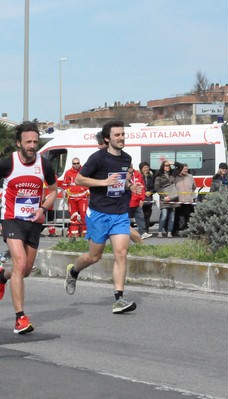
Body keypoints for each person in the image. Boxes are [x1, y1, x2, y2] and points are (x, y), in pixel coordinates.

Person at [0, 121, 57, 334]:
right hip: (12, 219)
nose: (32, 145)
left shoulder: (45, 165)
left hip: (34, 221)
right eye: (28, 142)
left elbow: (53, 190)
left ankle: (2, 276)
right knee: (20, 262)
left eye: (35, 141)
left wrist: (43, 207)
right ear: (19, 143)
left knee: (23, 271)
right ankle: (20, 318)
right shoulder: (8, 163)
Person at [64, 120, 143, 314]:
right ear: (107, 139)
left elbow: (121, 182)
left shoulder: (126, 159)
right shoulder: (97, 158)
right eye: (117, 135)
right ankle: (73, 271)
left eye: (123, 134)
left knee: (121, 253)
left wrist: (130, 187)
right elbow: (79, 179)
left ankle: (119, 299)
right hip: (99, 213)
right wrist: (103, 182)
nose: (121, 138)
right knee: (94, 256)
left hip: (119, 213)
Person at [63, 157, 89, 238]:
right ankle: (74, 234)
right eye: (74, 163)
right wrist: (67, 192)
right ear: (72, 164)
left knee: (84, 215)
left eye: (78, 163)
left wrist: (88, 192)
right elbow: (64, 185)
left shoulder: (84, 172)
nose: (76, 165)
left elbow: (89, 182)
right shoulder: (68, 173)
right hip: (72, 198)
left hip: (83, 197)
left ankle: (85, 234)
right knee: (73, 215)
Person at [154, 160, 178, 238]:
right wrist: (164, 196)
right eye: (166, 165)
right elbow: (157, 187)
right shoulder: (159, 176)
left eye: (168, 166)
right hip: (164, 198)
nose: (168, 167)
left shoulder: (172, 174)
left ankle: (169, 232)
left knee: (172, 217)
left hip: (173, 198)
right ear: (162, 167)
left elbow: (180, 167)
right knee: (164, 215)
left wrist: (173, 163)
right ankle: (160, 231)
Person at [128, 163, 151, 239]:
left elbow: (142, 188)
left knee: (140, 217)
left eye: (131, 166)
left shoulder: (138, 175)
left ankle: (143, 233)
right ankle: (126, 234)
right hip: (127, 201)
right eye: (129, 167)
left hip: (136, 201)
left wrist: (142, 199)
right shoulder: (124, 175)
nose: (130, 168)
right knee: (125, 219)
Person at [174, 163, 196, 233]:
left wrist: (190, 194)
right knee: (176, 217)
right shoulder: (175, 177)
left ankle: (188, 231)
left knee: (188, 216)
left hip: (188, 200)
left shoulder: (190, 177)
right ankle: (175, 231)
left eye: (187, 169)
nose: (186, 170)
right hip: (178, 200)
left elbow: (194, 187)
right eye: (184, 169)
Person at [139, 161, 155, 236]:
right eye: (144, 167)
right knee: (140, 215)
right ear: (141, 169)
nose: (146, 169)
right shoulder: (138, 176)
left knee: (147, 215)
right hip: (140, 199)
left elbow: (154, 188)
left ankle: (146, 231)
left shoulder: (151, 177)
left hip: (148, 199)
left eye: (147, 167)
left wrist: (151, 192)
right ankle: (141, 231)